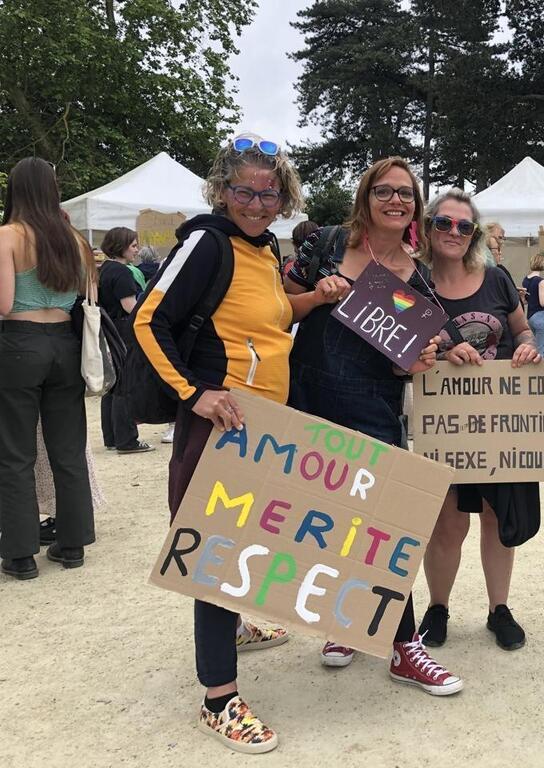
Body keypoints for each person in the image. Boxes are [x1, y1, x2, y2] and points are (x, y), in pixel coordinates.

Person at [135, 134, 337, 753]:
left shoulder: (265, 249)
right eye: (243, 191)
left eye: (267, 192)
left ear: (283, 197)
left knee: (243, 539)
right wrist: (195, 394)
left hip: (261, 425)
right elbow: (149, 319)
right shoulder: (207, 242)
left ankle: (233, 628)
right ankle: (218, 698)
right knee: (214, 553)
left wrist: (314, 299)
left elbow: (267, 323)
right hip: (219, 423)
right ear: (221, 191)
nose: (255, 202)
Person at [284, 157, 463, 695]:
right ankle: (347, 621)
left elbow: (406, 361)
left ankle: (404, 645)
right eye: (384, 191)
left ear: (416, 204)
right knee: (332, 517)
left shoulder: (416, 273)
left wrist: (420, 359)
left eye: (406, 193)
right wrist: (318, 295)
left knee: (385, 523)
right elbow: (279, 310)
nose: (395, 201)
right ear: (366, 196)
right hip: (309, 396)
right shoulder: (328, 244)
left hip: (373, 406)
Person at [417, 189, 541, 652]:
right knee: (447, 523)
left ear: (474, 233)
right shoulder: (414, 282)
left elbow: (522, 329)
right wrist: (444, 351)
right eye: (444, 223)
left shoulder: (497, 278)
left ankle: (499, 609)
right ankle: (438, 606)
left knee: (498, 518)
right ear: (428, 228)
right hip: (446, 422)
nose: (453, 232)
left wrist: (529, 346)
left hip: (503, 418)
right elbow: (406, 351)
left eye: (463, 226)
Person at [0, 157, 96, 580]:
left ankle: (20, 553)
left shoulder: (7, 237)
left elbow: (3, 305)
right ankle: (72, 542)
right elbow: (86, 297)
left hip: (18, 343)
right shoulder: (74, 240)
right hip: (65, 345)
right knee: (68, 449)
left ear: (15, 191)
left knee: (15, 452)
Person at [98, 226, 153, 454]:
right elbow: (130, 306)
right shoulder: (122, 272)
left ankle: (111, 437)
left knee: (113, 385)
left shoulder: (103, 270)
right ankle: (126, 439)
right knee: (124, 384)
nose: (136, 250)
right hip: (122, 330)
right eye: (133, 245)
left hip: (108, 328)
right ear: (121, 247)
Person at [522, 253, 544, 357]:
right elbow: (542, 302)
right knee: (542, 349)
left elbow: (525, 301)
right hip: (542, 316)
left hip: (530, 316)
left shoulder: (525, 280)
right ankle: (542, 371)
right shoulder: (541, 281)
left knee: (534, 347)